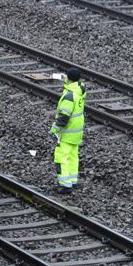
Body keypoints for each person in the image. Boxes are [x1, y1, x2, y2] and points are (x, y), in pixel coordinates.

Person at [50, 66, 86, 194]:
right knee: (72, 156)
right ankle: (72, 180)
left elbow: (64, 116)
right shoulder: (80, 88)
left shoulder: (69, 95)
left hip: (67, 131)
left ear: (69, 78)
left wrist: (54, 129)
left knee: (61, 157)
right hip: (77, 131)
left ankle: (65, 185)